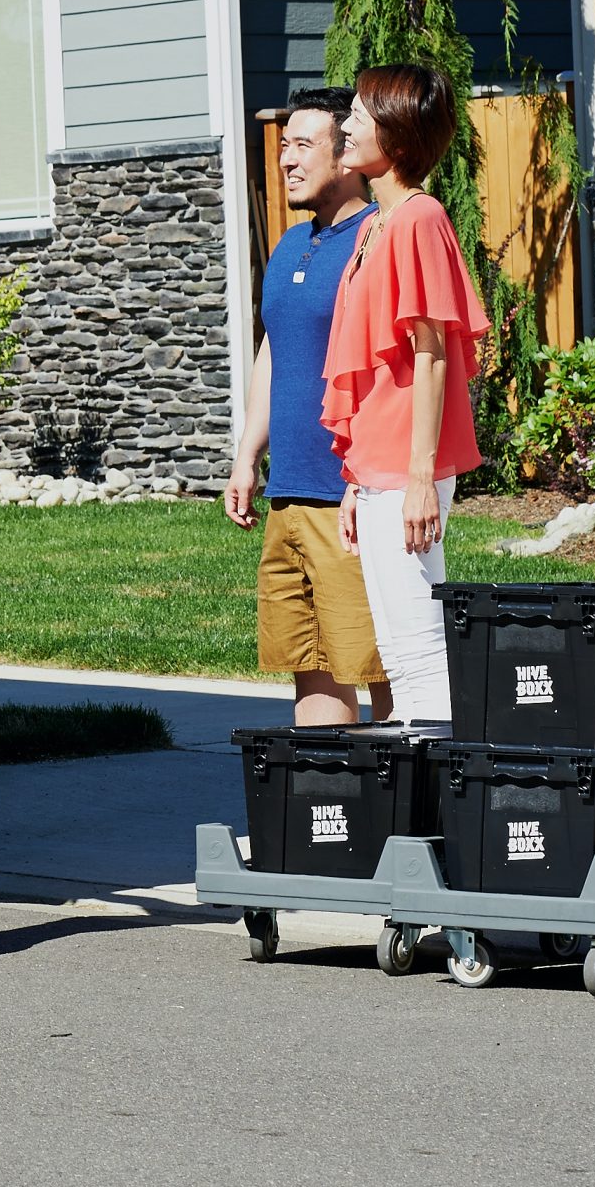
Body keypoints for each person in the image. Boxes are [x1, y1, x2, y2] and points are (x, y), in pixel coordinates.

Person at [323, 63, 490, 727]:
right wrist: (355, 479)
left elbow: (432, 350)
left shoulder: (420, 217)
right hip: (380, 465)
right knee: (395, 645)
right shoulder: (372, 227)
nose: (345, 124)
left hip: (410, 464)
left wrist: (422, 477)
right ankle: (412, 802)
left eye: (359, 115)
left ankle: (436, 803)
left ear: (393, 135)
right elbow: (374, 365)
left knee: (419, 645)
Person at [226, 87, 389, 725]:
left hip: (350, 497)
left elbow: (393, 370)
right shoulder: (292, 245)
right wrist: (248, 454)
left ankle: (403, 810)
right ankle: (333, 808)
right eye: (284, 145)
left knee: (379, 665)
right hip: (289, 493)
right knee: (312, 662)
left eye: (303, 145)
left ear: (347, 154)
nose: (287, 160)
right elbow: (276, 350)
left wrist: (363, 477)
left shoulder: (376, 240)